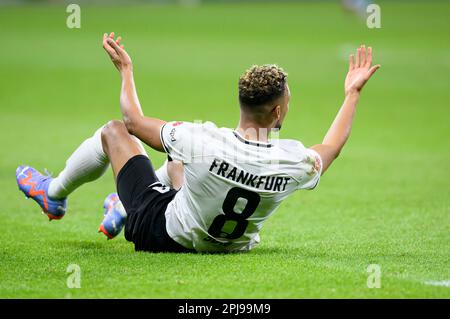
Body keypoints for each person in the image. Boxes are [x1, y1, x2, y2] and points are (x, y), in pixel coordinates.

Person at [16, 32, 380, 253]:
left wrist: (126, 71)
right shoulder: (294, 161)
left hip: (161, 232)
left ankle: (56, 194)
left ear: (241, 102)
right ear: (279, 112)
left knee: (113, 132)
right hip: (233, 246)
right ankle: (120, 206)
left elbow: (132, 122)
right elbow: (330, 148)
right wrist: (352, 93)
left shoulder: (202, 139)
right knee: (178, 162)